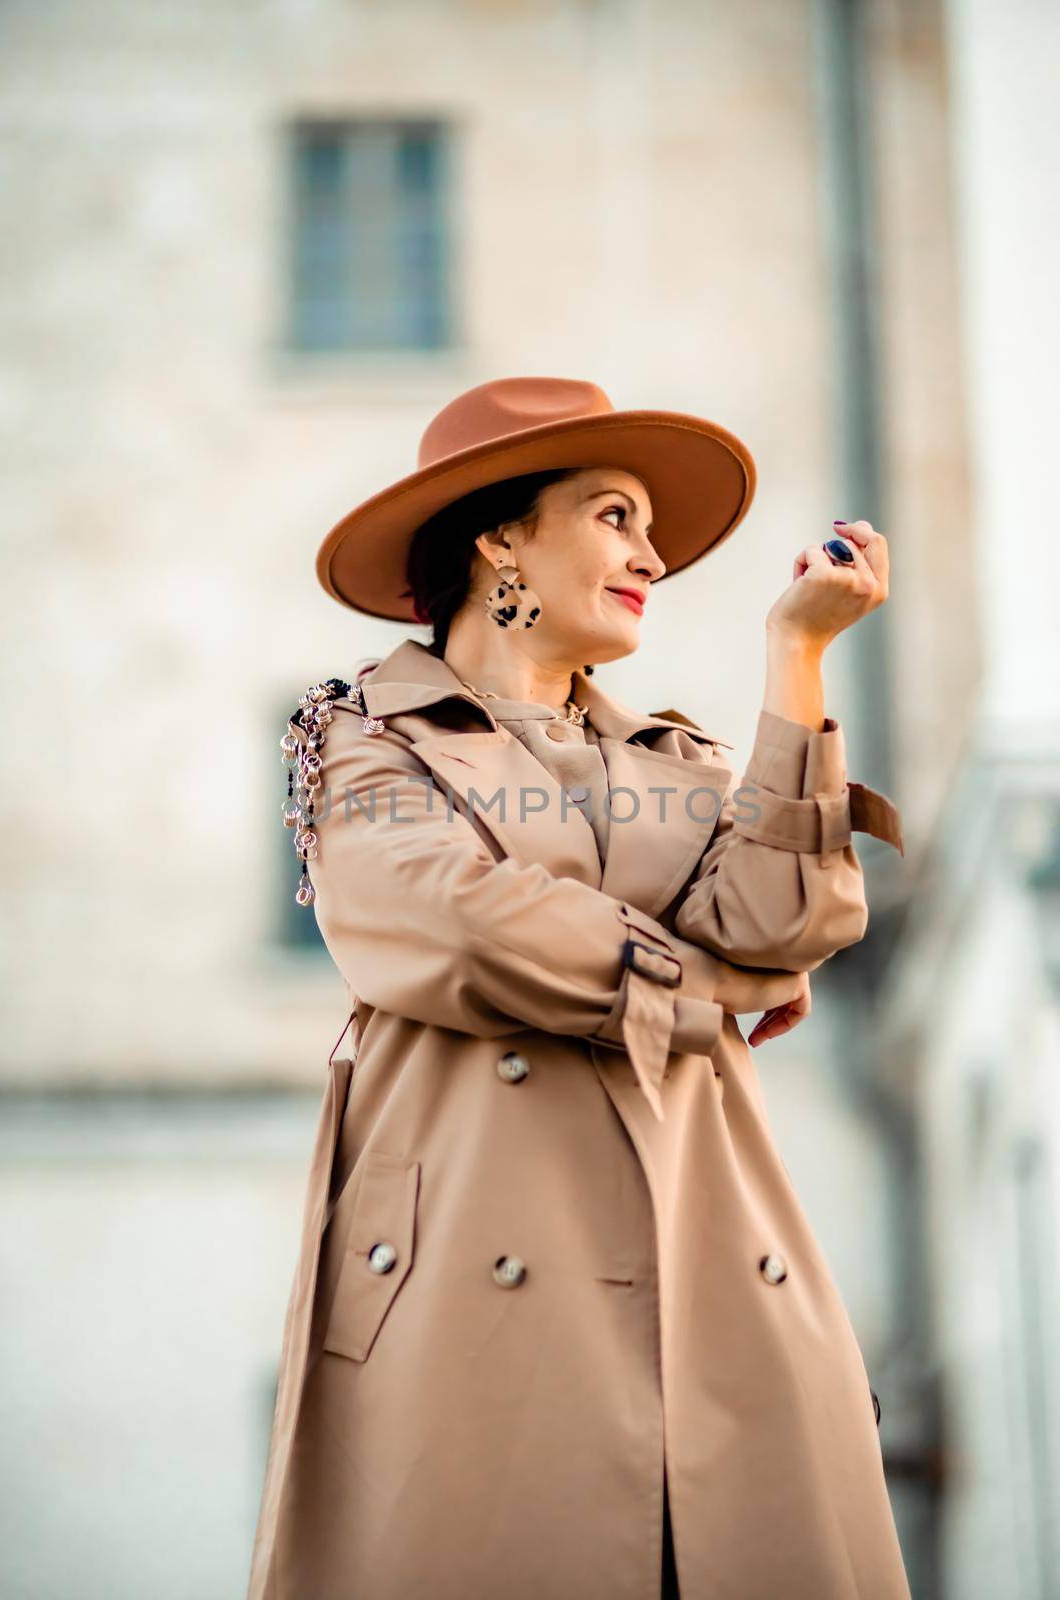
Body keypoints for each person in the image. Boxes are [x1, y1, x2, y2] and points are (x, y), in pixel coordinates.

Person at [249, 376, 912, 1599]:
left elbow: (791, 916)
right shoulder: (361, 737)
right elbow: (459, 927)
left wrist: (796, 652)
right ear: (500, 535)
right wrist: (712, 981)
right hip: (471, 1283)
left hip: (715, 1263)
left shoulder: (679, 759)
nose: (651, 557)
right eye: (615, 515)